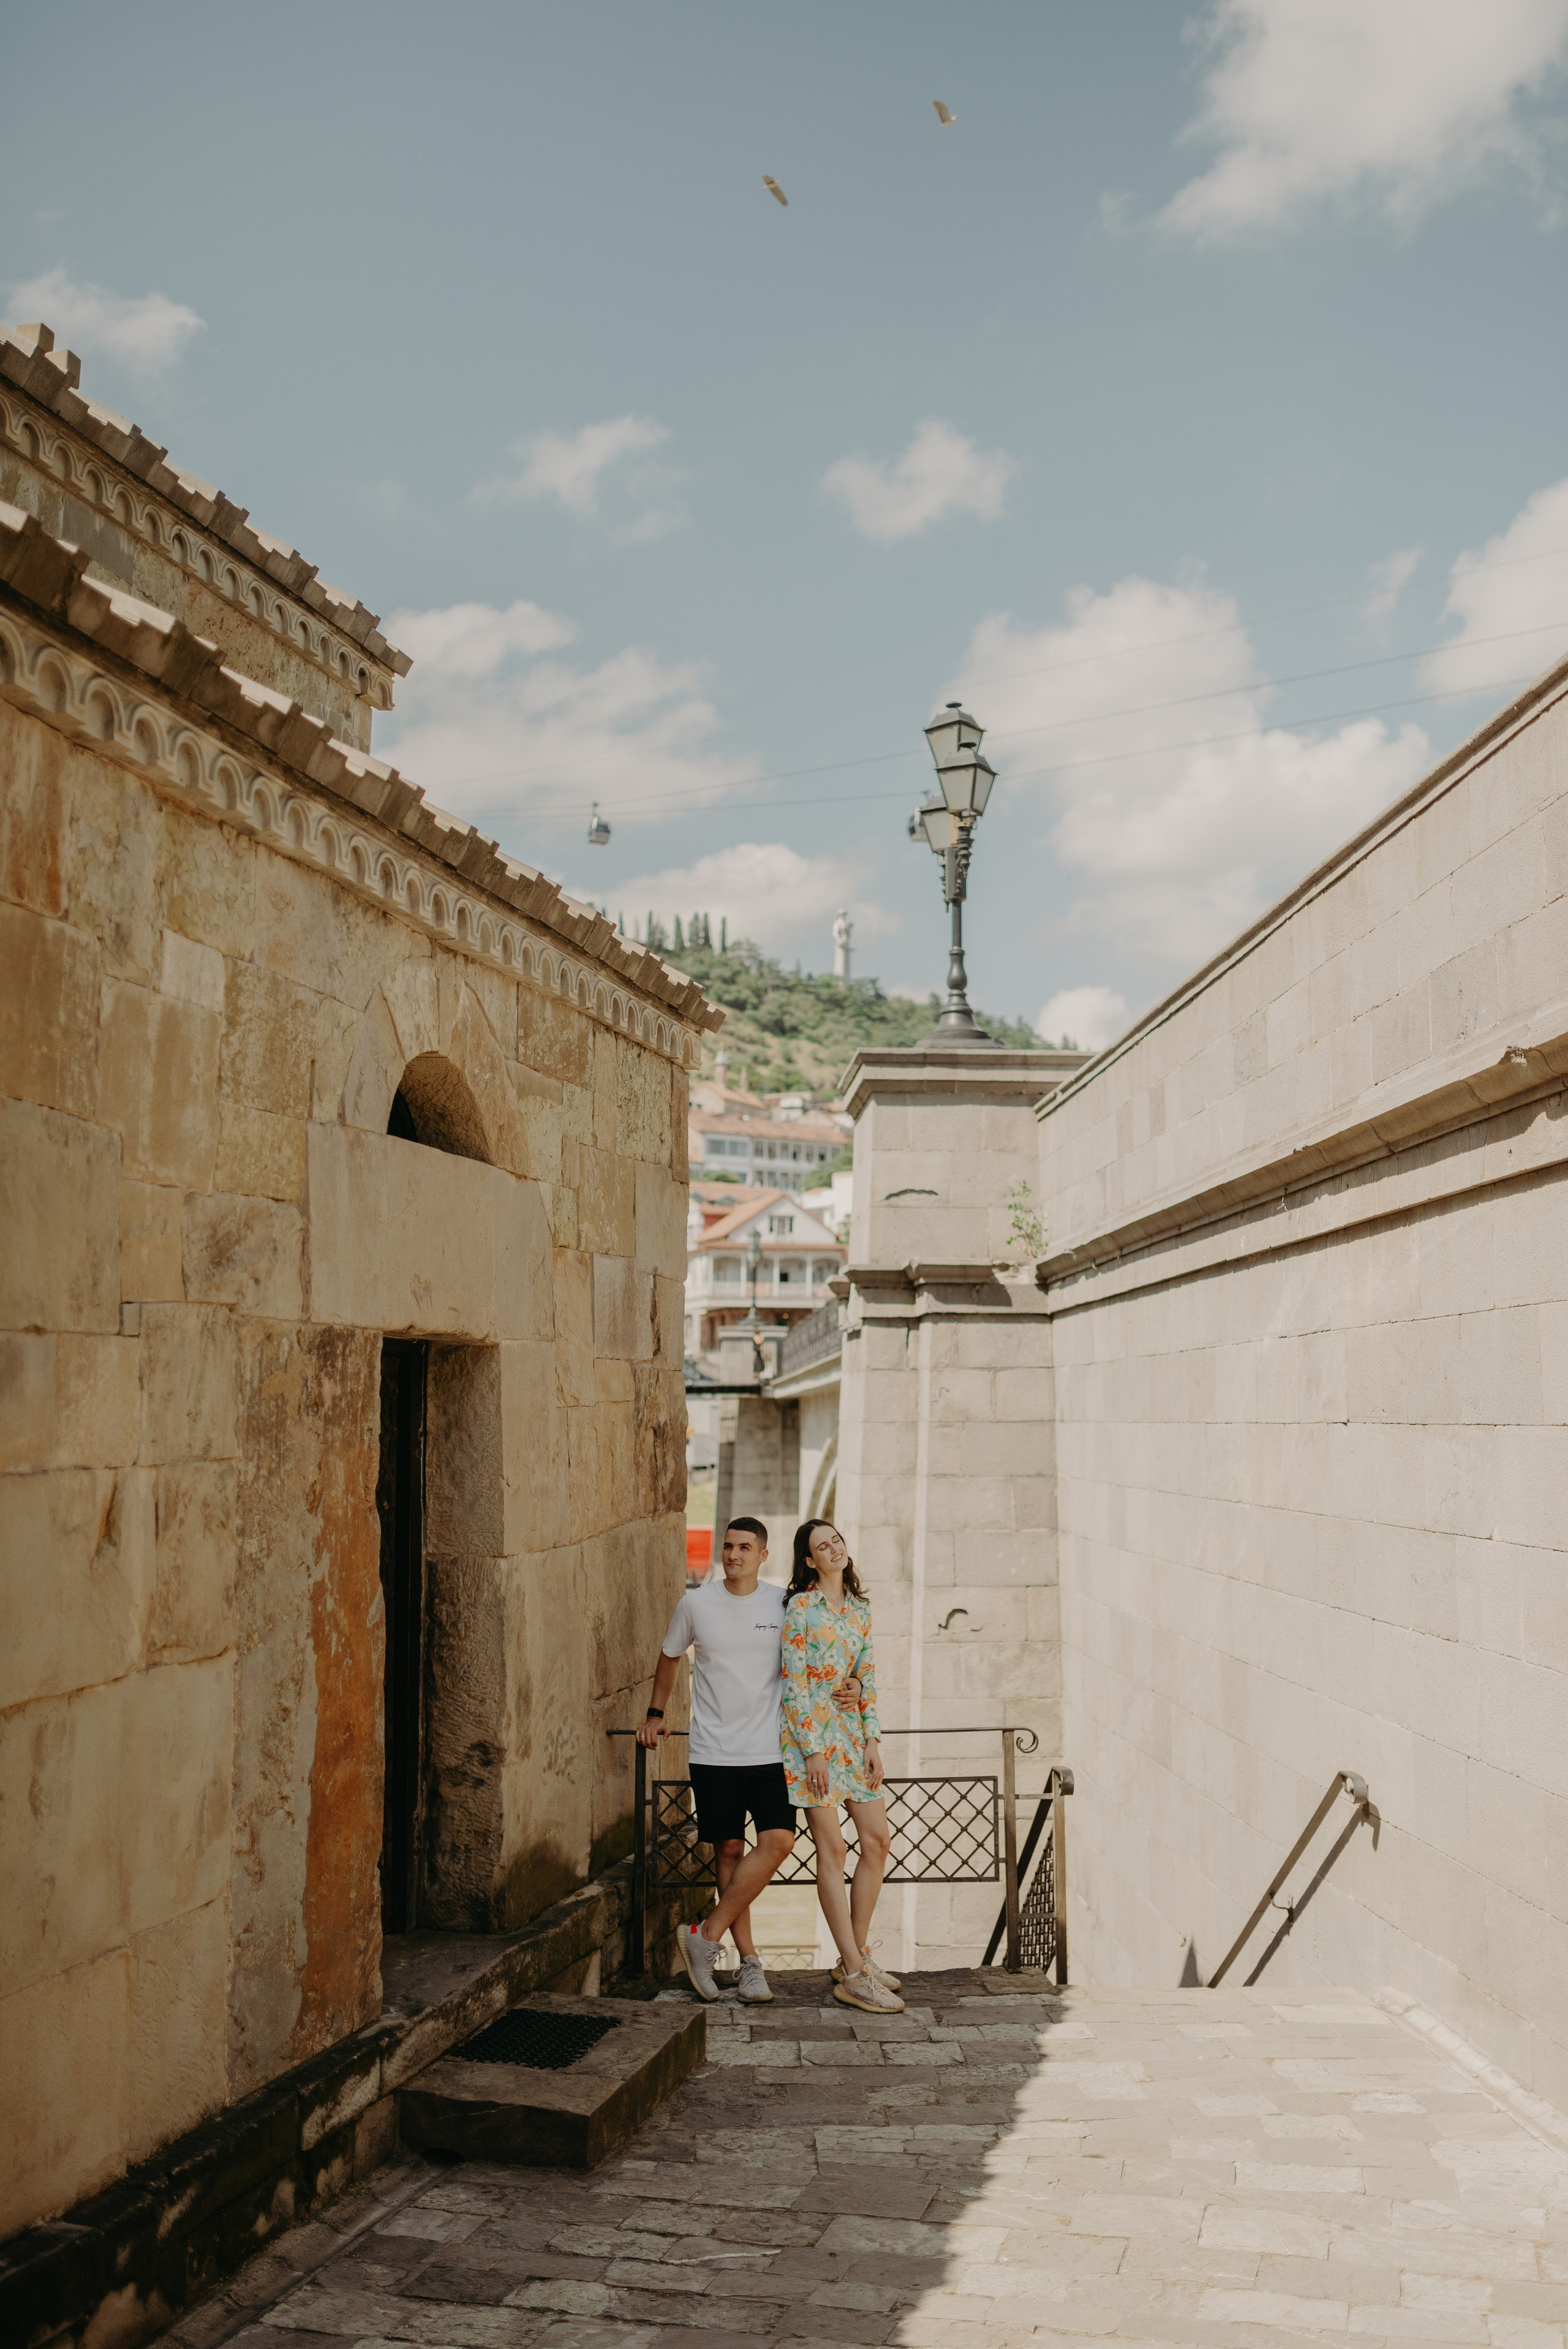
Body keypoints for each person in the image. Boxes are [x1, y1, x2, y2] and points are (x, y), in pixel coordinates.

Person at [639, 1515, 859, 2004]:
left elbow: (821, 1652)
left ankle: (706, 1934)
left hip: (772, 1749)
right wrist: (655, 1714)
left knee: (780, 1841)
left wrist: (857, 1681)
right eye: (728, 1546)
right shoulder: (696, 1603)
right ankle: (750, 1964)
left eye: (744, 1547)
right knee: (730, 1852)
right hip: (713, 1751)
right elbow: (670, 1656)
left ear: (763, 1555)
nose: (734, 1554)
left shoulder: (786, 1603)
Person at [780, 1518, 904, 2013]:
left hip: (853, 1740)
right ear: (809, 1560)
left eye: (837, 1540)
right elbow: (793, 1683)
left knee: (877, 1841)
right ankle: (855, 1973)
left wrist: (873, 1739)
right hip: (809, 1744)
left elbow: (865, 1675)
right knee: (833, 1849)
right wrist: (812, 1749)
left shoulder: (859, 1609)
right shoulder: (801, 1607)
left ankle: (854, 1954)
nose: (834, 1548)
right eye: (822, 1546)